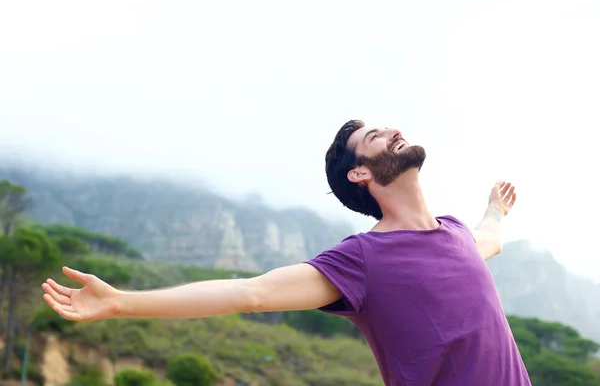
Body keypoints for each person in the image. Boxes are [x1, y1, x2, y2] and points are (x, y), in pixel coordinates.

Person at [42, 120, 531, 385]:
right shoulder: (363, 260)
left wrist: (494, 211)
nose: (391, 130)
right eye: (373, 138)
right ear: (360, 174)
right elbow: (249, 293)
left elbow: (490, 239)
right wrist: (121, 302)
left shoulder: (456, 234)